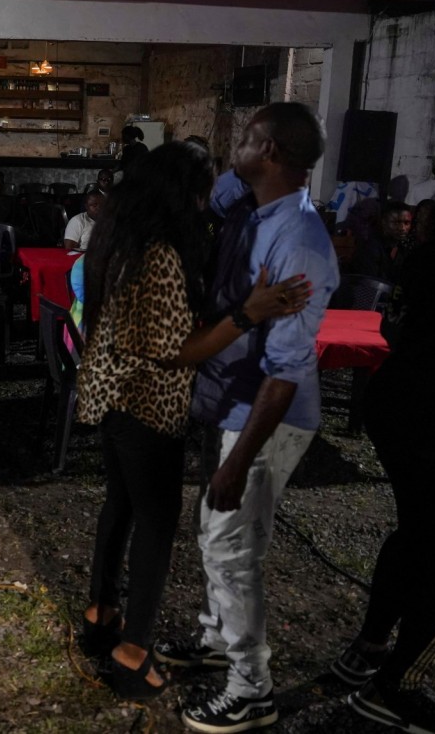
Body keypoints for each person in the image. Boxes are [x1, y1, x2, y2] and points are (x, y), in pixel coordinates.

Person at [75, 144, 311, 701]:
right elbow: (174, 350)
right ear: (182, 193)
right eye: (203, 190)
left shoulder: (117, 235)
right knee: (157, 523)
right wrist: (247, 314)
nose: (208, 201)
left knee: (121, 504)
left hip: (109, 391)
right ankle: (132, 654)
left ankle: (100, 614)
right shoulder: (157, 253)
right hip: (143, 401)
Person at [157, 103, 339, 733]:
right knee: (217, 539)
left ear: (271, 152)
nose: (234, 142)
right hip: (227, 397)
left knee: (231, 547)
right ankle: (216, 638)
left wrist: (240, 459)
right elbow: (212, 198)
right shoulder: (250, 202)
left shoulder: (298, 240)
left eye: (247, 137)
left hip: (263, 412)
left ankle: (249, 687)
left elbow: (286, 370)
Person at [332, 136, 435, 734]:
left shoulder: (432, 253)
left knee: (418, 530)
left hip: (396, 405)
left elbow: (396, 327)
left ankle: (369, 648)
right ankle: (397, 682)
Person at [351, 200, 412, 282]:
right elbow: (370, 284)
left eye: (406, 223)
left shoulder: (404, 249)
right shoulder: (370, 247)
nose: (402, 228)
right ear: (384, 222)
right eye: (396, 223)